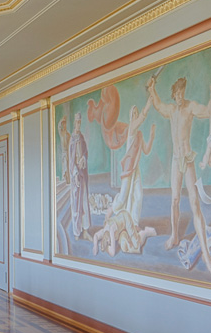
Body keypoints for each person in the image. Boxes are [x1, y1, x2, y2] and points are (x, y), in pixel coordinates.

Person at [146, 74, 211, 273]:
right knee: (175, 200)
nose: (179, 97)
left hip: (187, 159)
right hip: (176, 161)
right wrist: (152, 88)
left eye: (182, 93)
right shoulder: (171, 110)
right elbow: (158, 105)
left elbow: (208, 111)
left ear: (184, 92)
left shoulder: (190, 107)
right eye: (177, 94)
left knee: (194, 203)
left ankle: (206, 253)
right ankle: (175, 236)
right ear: (173, 94)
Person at [91, 102, 157, 256]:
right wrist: (149, 103)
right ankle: (111, 210)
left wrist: (152, 135)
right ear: (131, 117)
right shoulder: (132, 129)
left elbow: (146, 150)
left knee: (138, 195)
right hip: (128, 168)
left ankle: (134, 223)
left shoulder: (138, 134)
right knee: (122, 197)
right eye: (133, 114)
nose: (135, 116)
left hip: (136, 168)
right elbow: (141, 119)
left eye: (136, 113)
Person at [67, 112, 90, 240]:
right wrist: (75, 173)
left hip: (83, 175)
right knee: (76, 203)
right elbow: (71, 160)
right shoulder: (72, 140)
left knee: (84, 202)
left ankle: (85, 230)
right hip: (76, 176)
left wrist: (83, 159)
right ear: (74, 123)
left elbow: (85, 152)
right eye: (77, 122)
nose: (78, 124)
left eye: (80, 122)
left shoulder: (81, 138)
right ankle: (77, 231)